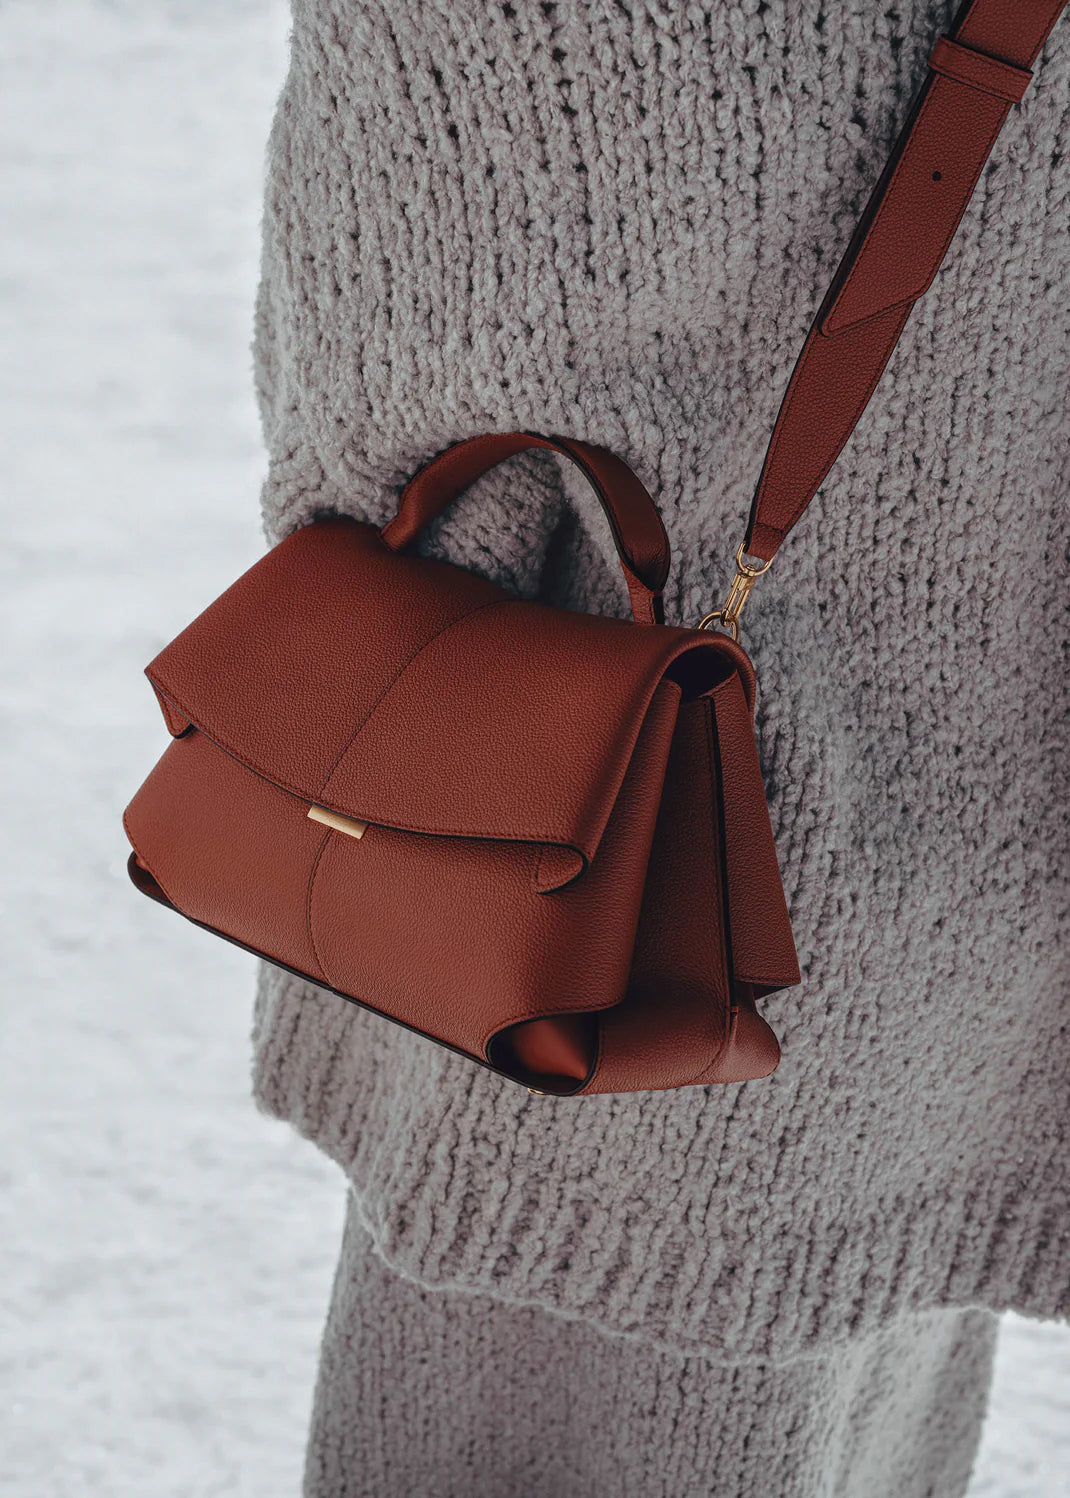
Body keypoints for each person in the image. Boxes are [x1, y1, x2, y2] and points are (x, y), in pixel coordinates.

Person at [249, 3, 1069, 1494]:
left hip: (597, 880)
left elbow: (409, 353)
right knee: (854, 1389)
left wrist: (383, 665)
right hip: (971, 869)